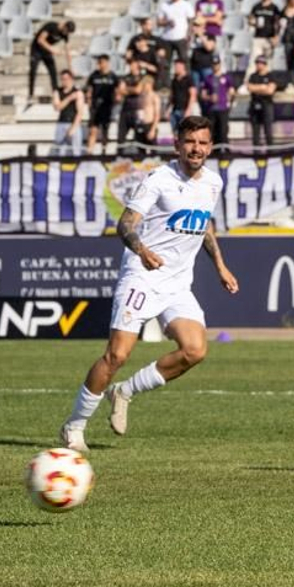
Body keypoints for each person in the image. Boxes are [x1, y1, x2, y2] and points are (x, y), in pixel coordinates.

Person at [57, 115, 236, 454]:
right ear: (177, 145)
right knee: (117, 355)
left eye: (202, 142)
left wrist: (221, 267)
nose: (196, 148)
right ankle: (74, 425)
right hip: (142, 276)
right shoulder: (159, 180)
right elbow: (125, 225)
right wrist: (142, 250)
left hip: (178, 284)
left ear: (210, 147)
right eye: (190, 142)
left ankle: (124, 392)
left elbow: (205, 226)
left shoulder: (213, 182)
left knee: (195, 350)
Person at [29, 19, 75, 99]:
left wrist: (70, 68)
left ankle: (55, 94)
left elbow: (68, 51)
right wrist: (52, 49)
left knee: (53, 72)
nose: (66, 34)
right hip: (36, 49)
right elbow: (40, 40)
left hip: (46, 51)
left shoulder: (65, 35)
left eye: (68, 33)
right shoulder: (51, 26)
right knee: (33, 70)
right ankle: (31, 94)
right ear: (64, 26)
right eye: (66, 31)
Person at [84, 54, 120, 152]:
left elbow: (118, 91)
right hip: (95, 107)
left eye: (103, 62)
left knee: (105, 131)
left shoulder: (113, 76)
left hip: (107, 106)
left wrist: (117, 99)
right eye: (100, 63)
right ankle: (89, 152)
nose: (101, 65)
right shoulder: (94, 75)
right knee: (93, 130)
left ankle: (104, 151)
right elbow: (89, 89)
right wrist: (89, 100)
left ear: (107, 63)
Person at [244, 54, 279, 147]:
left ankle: (271, 150)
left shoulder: (271, 76)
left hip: (267, 105)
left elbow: (270, 91)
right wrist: (263, 87)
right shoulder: (253, 76)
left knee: (268, 130)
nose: (259, 65)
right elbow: (249, 87)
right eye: (257, 63)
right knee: (255, 131)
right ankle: (256, 152)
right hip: (255, 105)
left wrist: (257, 88)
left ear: (265, 64)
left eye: (261, 63)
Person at [157, 0, 195, 70]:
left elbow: (191, 21)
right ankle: (166, 81)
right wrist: (167, 22)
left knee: (184, 60)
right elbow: (159, 22)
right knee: (166, 62)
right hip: (167, 38)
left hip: (181, 37)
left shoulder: (186, 4)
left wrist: (189, 34)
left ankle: (187, 80)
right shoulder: (165, 5)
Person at [51, 70, 85, 155]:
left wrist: (73, 128)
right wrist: (69, 98)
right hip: (61, 123)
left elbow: (80, 112)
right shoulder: (57, 92)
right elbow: (57, 107)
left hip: (73, 123)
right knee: (60, 151)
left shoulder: (78, 92)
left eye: (67, 79)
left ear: (71, 79)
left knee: (76, 151)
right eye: (63, 79)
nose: (65, 81)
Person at [248, 0, 283, 69]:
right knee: (254, 61)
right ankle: (251, 80)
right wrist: (253, 22)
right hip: (258, 37)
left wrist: (276, 36)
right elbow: (251, 19)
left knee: (268, 62)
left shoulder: (274, 8)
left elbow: (278, 23)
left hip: (269, 38)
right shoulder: (256, 7)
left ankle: (267, 80)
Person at [169, 60, 197, 135]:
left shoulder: (189, 79)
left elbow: (193, 94)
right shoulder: (174, 80)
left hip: (184, 110)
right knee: (175, 133)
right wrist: (169, 108)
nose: (176, 68)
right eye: (175, 66)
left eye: (177, 66)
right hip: (175, 110)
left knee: (185, 132)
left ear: (183, 67)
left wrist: (189, 109)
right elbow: (172, 95)